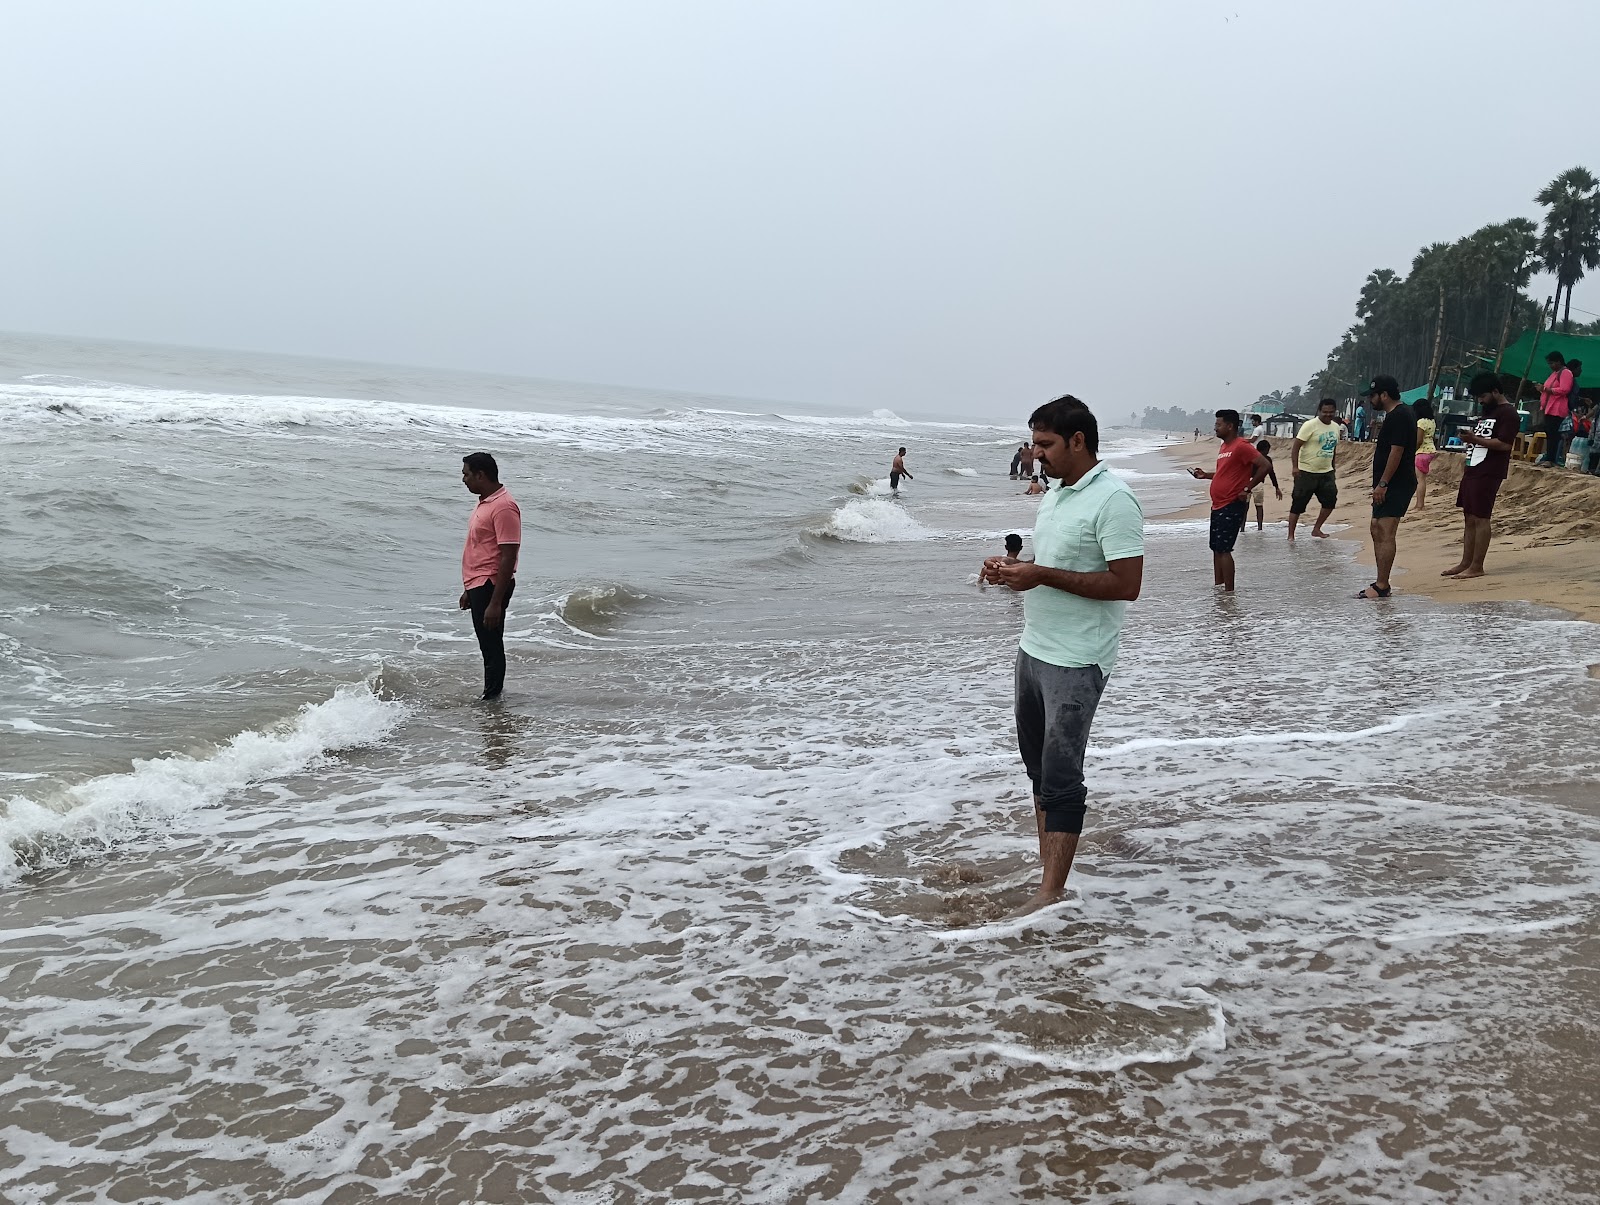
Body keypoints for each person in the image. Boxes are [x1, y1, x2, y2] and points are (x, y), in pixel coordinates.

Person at [979, 396, 1143, 917]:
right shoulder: (1054, 495)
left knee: (1061, 776)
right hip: (1033, 647)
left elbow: (1127, 584)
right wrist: (1014, 571)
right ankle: (1048, 873)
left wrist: (1041, 575)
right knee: (1038, 771)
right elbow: (1053, 564)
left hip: (1078, 657)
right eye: (1034, 444)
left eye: (1045, 444)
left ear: (1078, 441)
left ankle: (1051, 894)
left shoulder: (1114, 499)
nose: (1036, 454)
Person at [1443, 373, 1520, 580]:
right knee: (1469, 516)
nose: (1480, 400)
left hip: (1489, 470)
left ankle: (1477, 565)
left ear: (1495, 391)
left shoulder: (1508, 413)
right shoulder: (1489, 411)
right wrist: (1471, 439)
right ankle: (1466, 562)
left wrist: (1475, 439)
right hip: (1473, 467)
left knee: (1481, 517)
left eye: (1483, 396)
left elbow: (1505, 444)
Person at [458, 452, 521, 700]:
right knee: (487, 645)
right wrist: (469, 589)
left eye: (466, 474)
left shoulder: (503, 507)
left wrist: (494, 603)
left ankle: (492, 700)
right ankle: (492, 696)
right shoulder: (485, 502)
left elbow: (508, 555)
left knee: (491, 646)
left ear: (480, 475)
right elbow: (481, 547)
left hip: (491, 584)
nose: (463, 479)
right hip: (479, 583)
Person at [1187, 409, 1270, 592]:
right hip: (1217, 505)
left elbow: (1265, 465)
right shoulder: (1224, 447)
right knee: (1216, 548)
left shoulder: (1241, 446)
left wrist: (1247, 488)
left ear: (1230, 426)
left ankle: (1229, 594)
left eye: (1219, 424)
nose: (1215, 428)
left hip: (1231, 504)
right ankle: (1219, 589)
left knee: (1225, 549)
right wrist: (1205, 475)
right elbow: (1224, 473)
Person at [1357, 376, 1416, 599]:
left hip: (1396, 483)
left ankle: (1382, 585)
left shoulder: (1399, 415)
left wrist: (1383, 483)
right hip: (1389, 482)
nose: (1370, 400)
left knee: (1385, 530)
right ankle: (1381, 580)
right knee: (1376, 528)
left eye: (1373, 395)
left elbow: (1396, 451)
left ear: (1384, 395)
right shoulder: (1396, 415)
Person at [1287, 398, 1341, 540]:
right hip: (1306, 472)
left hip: (1326, 472)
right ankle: (1291, 535)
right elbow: (1296, 447)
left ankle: (1316, 529)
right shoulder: (1309, 425)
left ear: (1335, 412)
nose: (1328, 415)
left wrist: (1333, 467)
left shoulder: (1336, 427)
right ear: (1319, 411)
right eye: (1325, 412)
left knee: (1330, 502)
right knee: (1298, 504)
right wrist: (1295, 467)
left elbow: (1333, 449)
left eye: (1331, 412)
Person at [1536, 351, 1573, 466]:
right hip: (1549, 408)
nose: (1550, 366)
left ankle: (1551, 459)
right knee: (1549, 432)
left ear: (1558, 361)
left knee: (1553, 433)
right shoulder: (1554, 373)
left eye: (1552, 363)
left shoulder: (1566, 373)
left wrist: (1547, 390)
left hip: (1557, 408)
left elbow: (1565, 389)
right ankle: (1548, 457)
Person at [1248, 439, 1282, 531]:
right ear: (1265, 449)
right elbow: (1272, 474)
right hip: (1258, 484)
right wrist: (1276, 487)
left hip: (1247, 482)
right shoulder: (1267, 459)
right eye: (1267, 450)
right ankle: (1260, 528)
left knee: (1245, 507)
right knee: (1259, 506)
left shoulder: (1251, 457)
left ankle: (1242, 529)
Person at [1412, 397, 1438, 511]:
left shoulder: (1421, 422)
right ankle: (1419, 504)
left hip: (1422, 451)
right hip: (1430, 450)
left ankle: (1419, 505)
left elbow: (1419, 440)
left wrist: (1412, 451)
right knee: (1422, 479)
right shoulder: (1432, 421)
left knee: (1420, 479)